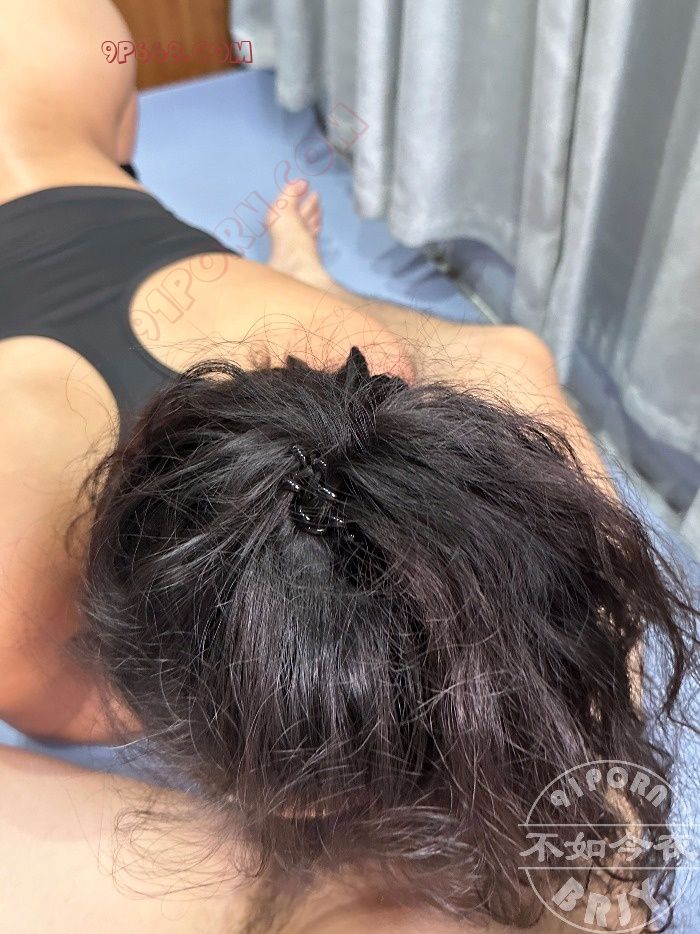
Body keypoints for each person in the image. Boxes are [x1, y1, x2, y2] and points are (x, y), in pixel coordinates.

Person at [0, 1, 696, 931]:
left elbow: (514, 362)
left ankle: (298, 271)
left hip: (60, 57)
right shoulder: (24, 622)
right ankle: (298, 271)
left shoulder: (369, 373)